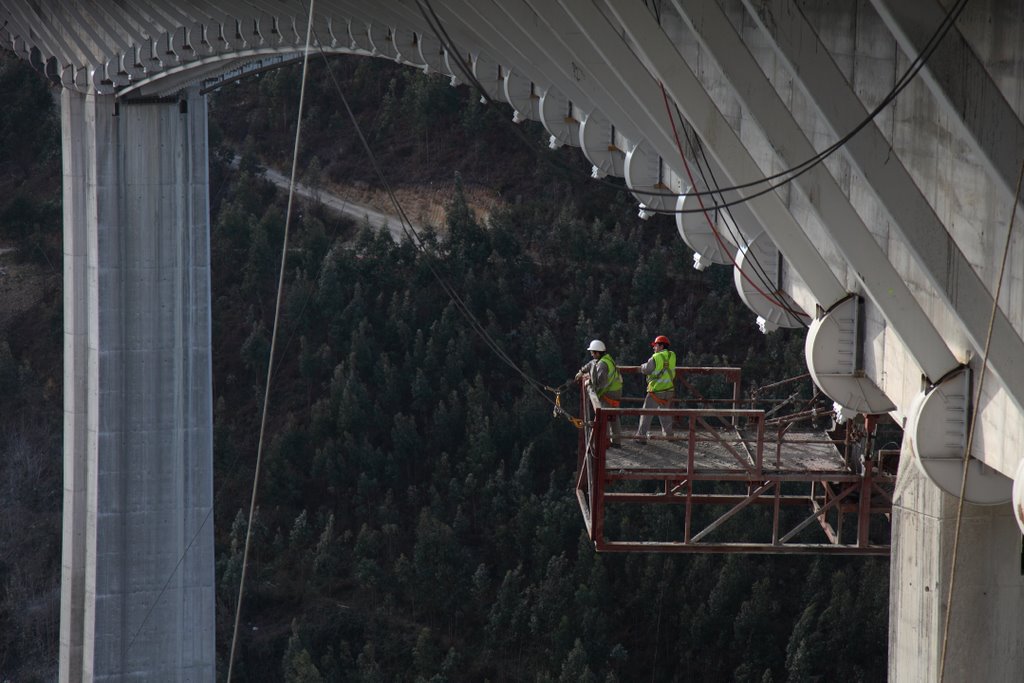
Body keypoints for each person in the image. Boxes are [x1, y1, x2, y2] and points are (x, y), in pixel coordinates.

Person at [575, 339, 623, 446]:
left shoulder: (602, 365)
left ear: (597, 352)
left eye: (592, 352)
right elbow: (591, 364)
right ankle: (616, 441)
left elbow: (601, 382)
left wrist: (589, 382)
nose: (591, 354)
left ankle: (604, 442)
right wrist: (581, 372)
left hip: (609, 393)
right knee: (613, 416)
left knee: (604, 417)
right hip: (615, 391)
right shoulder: (605, 359)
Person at [636, 334, 676, 444]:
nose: (654, 347)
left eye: (656, 345)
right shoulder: (672, 355)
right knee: (665, 413)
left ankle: (641, 437)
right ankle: (669, 435)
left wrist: (642, 366)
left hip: (656, 391)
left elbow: (647, 370)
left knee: (646, 414)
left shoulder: (656, 357)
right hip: (668, 390)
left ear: (661, 346)